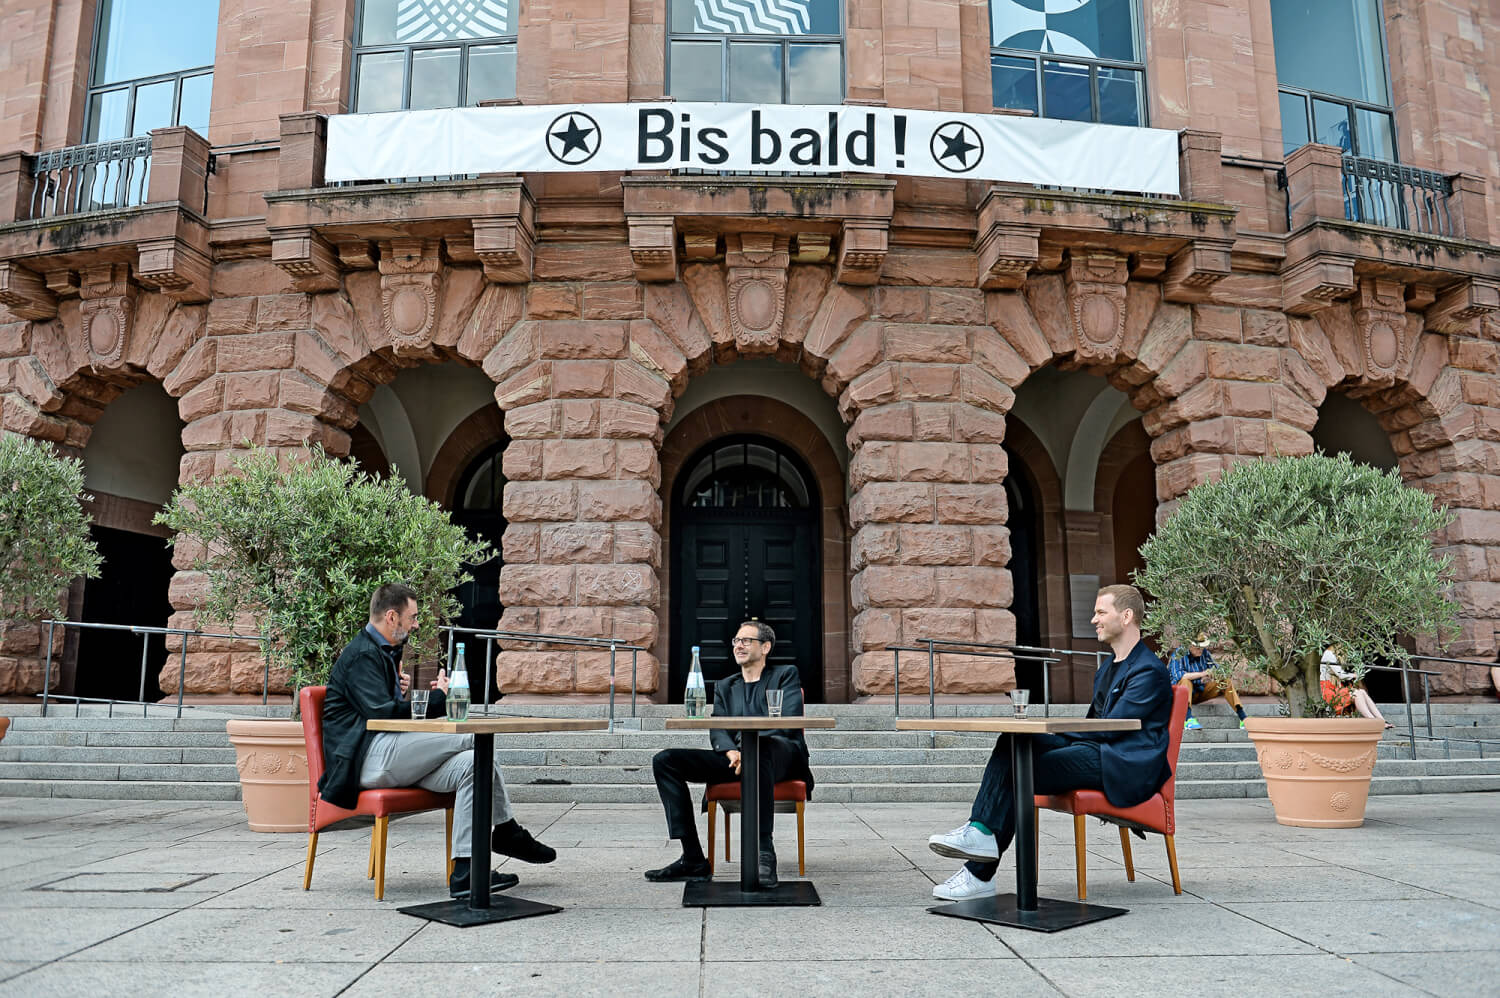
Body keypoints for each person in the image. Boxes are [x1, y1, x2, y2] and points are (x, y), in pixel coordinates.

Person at [926, 584, 1173, 901]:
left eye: (1101, 612)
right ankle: (980, 836)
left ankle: (979, 868)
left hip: (1124, 765)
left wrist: (1056, 734)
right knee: (1015, 742)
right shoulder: (1106, 670)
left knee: (1022, 765)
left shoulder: (1148, 670)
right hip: (1097, 751)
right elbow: (1093, 727)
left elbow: (1113, 729)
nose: (1093, 619)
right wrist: (1044, 733)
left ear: (1126, 616)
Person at [318, 582, 557, 898]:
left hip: (388, 751)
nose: (416, 624)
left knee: (473, 764)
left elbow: (388, 709)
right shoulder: (362, 654)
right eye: (412, 617)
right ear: (392, 616)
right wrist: (440, 698)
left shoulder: (383, 653)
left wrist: (411, 693)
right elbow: (385, 714)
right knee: (474, 737)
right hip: (364, 760)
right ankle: (506, 830)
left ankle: (467, 871)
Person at [644, 619, 813, 889]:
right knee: (666, 760)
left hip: (780, 755)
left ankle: (763, 852)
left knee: (762, 751)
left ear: (766, 647)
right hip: (735, 759)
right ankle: (693, 859)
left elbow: (788, 721)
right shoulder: (725, 686)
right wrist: (731, 751)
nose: (739, 645)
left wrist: (746, 750)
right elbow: (718, 725)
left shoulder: (785, 675)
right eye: (736, 641)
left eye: (747, 640)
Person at [1167, 634, 1248, 730]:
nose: (1200, 650)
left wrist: (1211, 676)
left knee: (1225, 681)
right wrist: (1202, 674)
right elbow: (1180, 676)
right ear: (1189, 645)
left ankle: (1243, 717)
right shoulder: (1179, 654)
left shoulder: (1204, 653)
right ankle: (1188, 719)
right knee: (1185, 681)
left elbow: (1216, 669)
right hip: (1181, 695)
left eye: (1202, 647)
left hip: (1200, 691)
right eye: (1198, 647)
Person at [1320, 645, 1393, 728]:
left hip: (1333, 688)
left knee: (1362, 692)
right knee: (1356, 693)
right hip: (1327, 690)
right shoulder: (1329, 654)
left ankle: (1381, 720)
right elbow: (1341, 675)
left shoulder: (1334, 654)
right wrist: (1355, 675)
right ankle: (1373, 721)